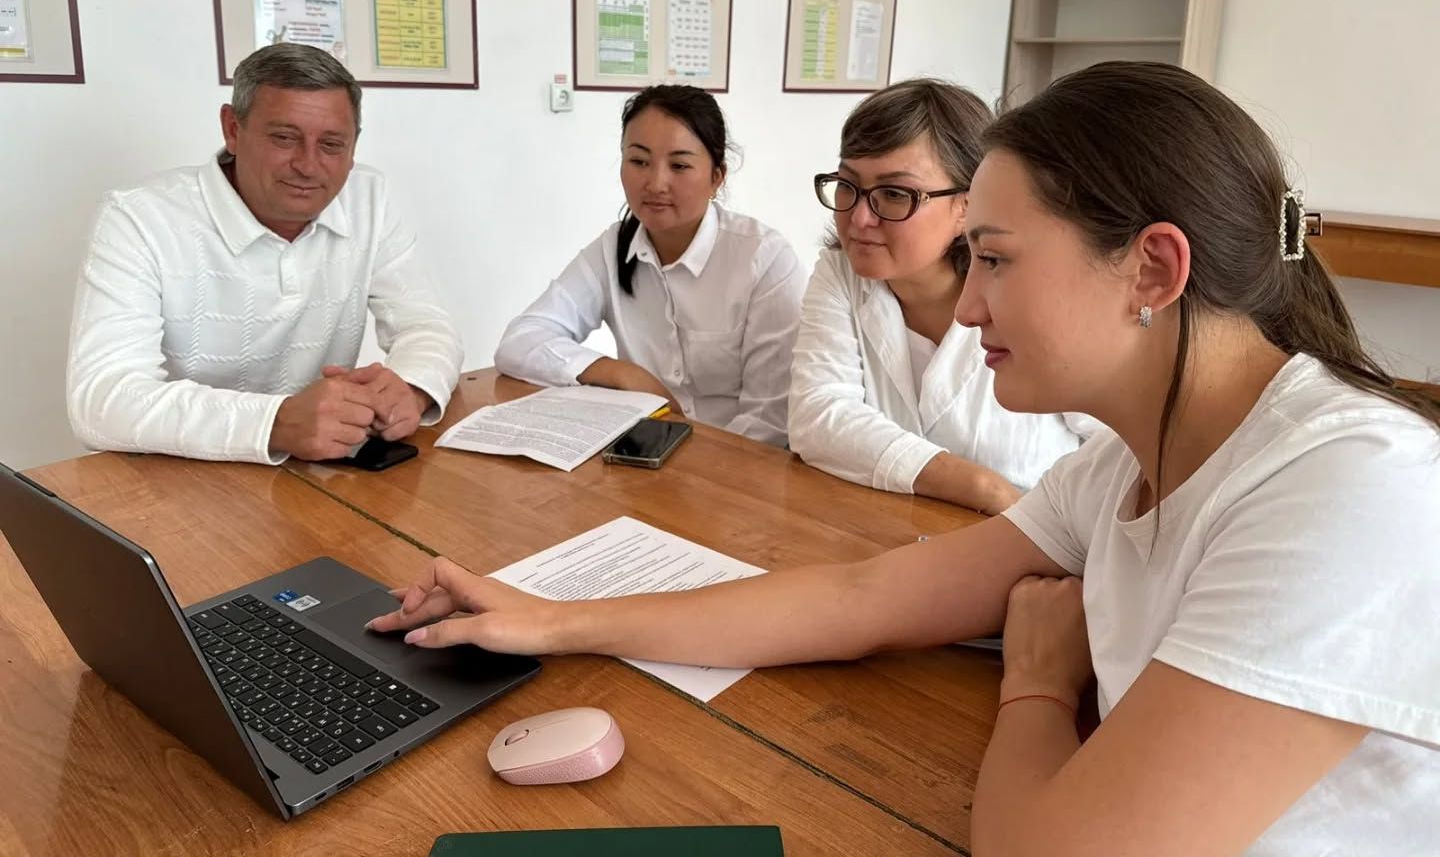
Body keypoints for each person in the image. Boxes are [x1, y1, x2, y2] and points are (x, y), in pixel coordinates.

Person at [373, 61, 1440, 854]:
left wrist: (1036, 685)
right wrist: (554, 620)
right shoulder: (1125, 465)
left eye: (997, 261)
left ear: (1152, 270)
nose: (968, 305)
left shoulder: (1349, 491)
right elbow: (862, 597)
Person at [67, 43, 463, 464]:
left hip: (317, 471)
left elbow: (426, 325)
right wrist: (277, 422)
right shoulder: (138, 216)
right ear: (232, 130)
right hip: (176, 477)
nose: (308, 165)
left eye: (332, 144)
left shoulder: (368, 198)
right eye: (284, 138)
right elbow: (102, 399)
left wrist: (409, 389)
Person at [789, 78, 1094, 514]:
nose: (859, 218)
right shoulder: (840, 274)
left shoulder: (1039, 292)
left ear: (969, 206)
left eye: (895, 194)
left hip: (1043, 540)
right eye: (847, 185)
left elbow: (1116, 444)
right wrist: (986, 488)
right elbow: (817, 417)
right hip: (889, 529)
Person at [493, 84, 805, 447]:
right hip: (647, 455)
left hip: (738, 463)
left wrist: (699, 469)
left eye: (679, 165)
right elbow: (520, 341)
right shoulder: (612, 249)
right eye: (639, 161)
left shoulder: (763, 259)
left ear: (716, 177)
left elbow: (769, 422)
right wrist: (622, 373)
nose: (655, 183)